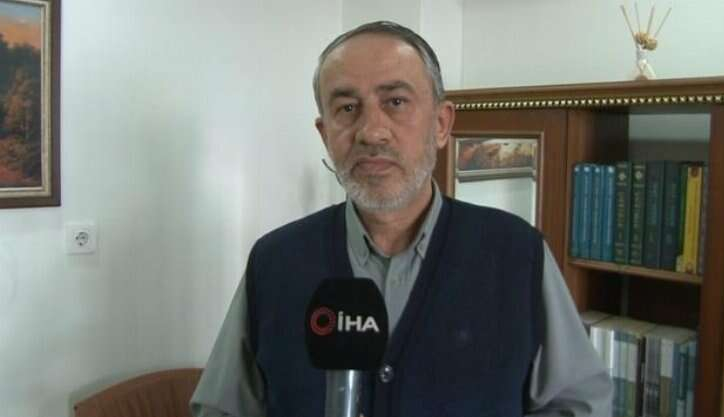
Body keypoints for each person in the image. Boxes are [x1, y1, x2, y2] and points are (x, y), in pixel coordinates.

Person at [190, 21, 612, 417]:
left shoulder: (517, 253)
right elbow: (222, 408)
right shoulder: (275, 262)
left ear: (442, 124)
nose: (371, 132)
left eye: (395, 102)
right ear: (324, 133)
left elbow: (577, 405)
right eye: (347, 108)